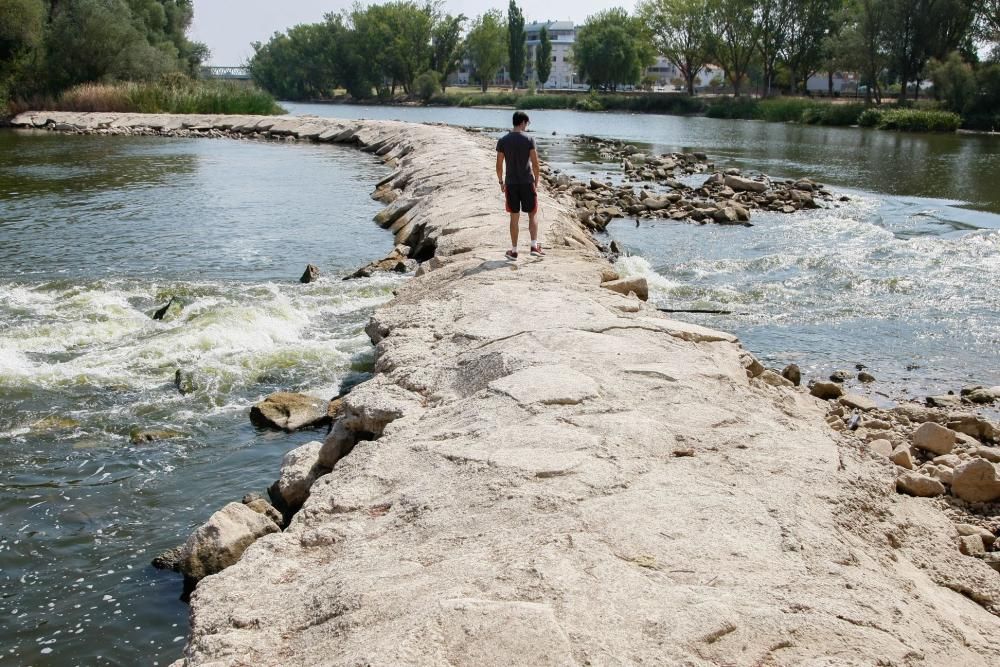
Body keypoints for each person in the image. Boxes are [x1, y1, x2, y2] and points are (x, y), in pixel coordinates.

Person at [496, 111, 543, 260]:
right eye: (527, 123)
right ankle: (534, 246)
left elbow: (498, 165)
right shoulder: (529, 139)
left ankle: (514, 251)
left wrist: (501, 182)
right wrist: (536, 180)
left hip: (511, 183)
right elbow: (535, 164)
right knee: (533, 213)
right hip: (527, 182)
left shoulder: (503, 140)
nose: (527, 126)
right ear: (523, 122)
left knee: (514, 217)